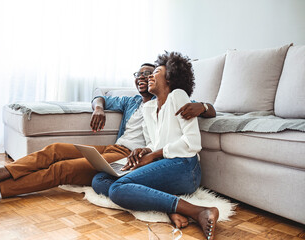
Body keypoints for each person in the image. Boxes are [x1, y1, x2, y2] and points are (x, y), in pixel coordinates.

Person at [0, 62, 216, 200]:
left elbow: (202, 110)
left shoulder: (170, 100)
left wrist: (203, 105)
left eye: (150, 73)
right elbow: (98, 94)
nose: (143, 77)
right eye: (139, 73)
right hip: (115, 148)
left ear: (161, 79)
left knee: (63, 170)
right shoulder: (131, 102)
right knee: (54, 150)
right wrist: (98, 108)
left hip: (131, 157)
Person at [91, 52, 219, 240]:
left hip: (185, 167)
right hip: (162, 165)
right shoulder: (149, 108)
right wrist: (145, 150)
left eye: (156, 72)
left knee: (117, 189)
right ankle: (168, 207)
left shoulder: (178, 96)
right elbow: (153, 141)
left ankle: (200, 211)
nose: (149, 76)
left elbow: (192, 142)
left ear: (170, 78)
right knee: (100, 179)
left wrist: (154, 155)